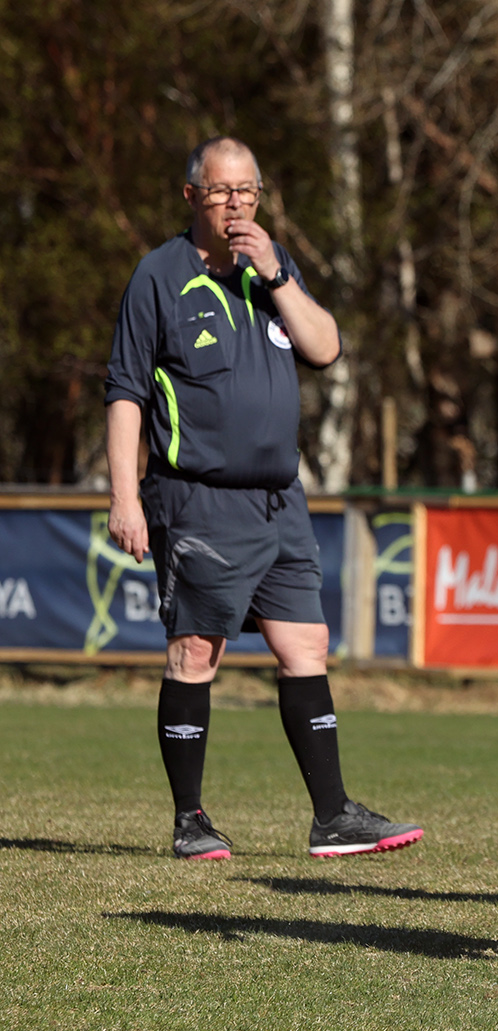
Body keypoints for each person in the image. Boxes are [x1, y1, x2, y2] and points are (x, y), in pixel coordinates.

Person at [102, 136, 423, 861]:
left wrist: (277, 271)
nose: (237, 203)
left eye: (247, 190)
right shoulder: (158, 276)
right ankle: (191, 821)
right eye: (221, 191)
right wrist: (125, 497)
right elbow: (124, 393)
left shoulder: (270, 268)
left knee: (305, 644)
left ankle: (333, 816)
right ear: (192, 198)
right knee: (196, 651)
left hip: (281, 499)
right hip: (197, 500)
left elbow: (325, 346)